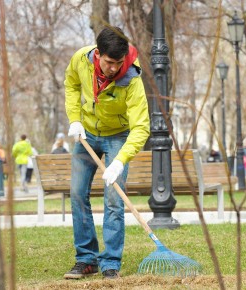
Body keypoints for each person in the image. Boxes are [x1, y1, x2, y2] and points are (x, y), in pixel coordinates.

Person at [63, 27, 150, 280]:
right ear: (98, 54)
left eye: (119, 63)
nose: (114, 68)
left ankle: (110, 262)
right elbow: (71, 84)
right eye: (109, 62)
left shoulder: (132, 78)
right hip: (86, 133)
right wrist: (74, 119)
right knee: (78, 194)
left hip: (118, 136)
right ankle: (86, 259)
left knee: (114, 200)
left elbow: (141, 127)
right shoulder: (81, 59)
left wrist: (120, 161)